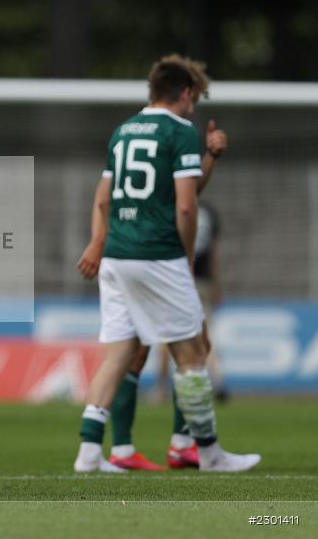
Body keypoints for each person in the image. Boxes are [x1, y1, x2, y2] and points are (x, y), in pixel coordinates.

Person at [73, 54, 260, 473]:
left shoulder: (123, 132)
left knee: (119, 355)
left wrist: (98, 241)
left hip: (117, 257)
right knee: (194, 350)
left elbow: (104, 199)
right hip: (157, 254)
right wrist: (186, 255)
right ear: (187, 93)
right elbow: (187, 206)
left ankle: (89, 452)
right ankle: (207, 451)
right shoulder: (179, 131)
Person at [106, 123, 229, 472]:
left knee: (147, 350)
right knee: (188, 347)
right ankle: (181, 444)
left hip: (141, 263)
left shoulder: (133, 150)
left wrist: (210, 156)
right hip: (162, 266)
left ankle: (127, 447)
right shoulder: (172, 149)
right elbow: (187, 201)